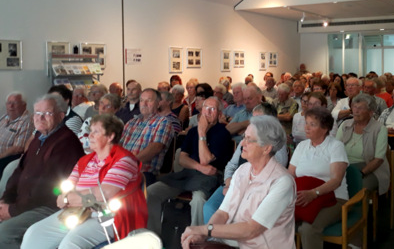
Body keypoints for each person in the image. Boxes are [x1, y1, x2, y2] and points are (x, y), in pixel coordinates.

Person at [21, 114, 148, 248]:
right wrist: (66, 197)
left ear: (110, 136)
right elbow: (68, 188)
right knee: (34, 233)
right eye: (90, 131)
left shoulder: (124, 159)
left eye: (95, 132)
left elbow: (104, 193)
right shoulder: (85, 161)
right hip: (77, 212)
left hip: (109, 216)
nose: (89, 135)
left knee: (70, 244)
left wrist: (68, 199)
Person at [181, 115, 295, 249]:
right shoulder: (243, 170)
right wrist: (202, 236)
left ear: (266, 148)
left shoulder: (281, 182)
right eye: (243, 137)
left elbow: (251, 229)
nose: (242, 144)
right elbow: (223, 212)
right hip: (232, 244)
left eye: (249, 140)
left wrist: (204, 230)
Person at [0, 94, 84, 248]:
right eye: (37, 113)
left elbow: (46, 190)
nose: (40, 118)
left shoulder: (66, 143)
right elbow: (19, 171)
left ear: (60, 116)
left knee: (4, 233)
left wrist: (12, 210)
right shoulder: (39, 137)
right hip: (25, 203)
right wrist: (6, 200)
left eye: (47, 113)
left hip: (48, 206)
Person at [146, 97, 233, 236]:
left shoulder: (222, 133)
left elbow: (205, 160)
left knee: (198, 200)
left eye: (213, 109)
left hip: (210, 178)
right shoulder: (192, 131)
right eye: (206, 108)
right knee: (152, 191)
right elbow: (182, 159)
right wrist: (199, 167)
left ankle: (196, 238)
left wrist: (202, 133)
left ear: (219, 114)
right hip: (188, 174)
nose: (208, 112)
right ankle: (152, 236)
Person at [203, 102, 289, 224]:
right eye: (252, 120)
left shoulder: (276, 145)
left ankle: (223, 239)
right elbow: (232, 165)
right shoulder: (247, 140)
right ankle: (214, 240)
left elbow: (270, 172)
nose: (254, 124)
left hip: (256, 190)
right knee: (209, 208)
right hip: (234, 183)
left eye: (259, 120)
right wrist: (228, 184)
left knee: (238, 216)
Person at [288, 107, 349, 249]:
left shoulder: (335, 146)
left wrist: (313, 193)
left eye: (312, 124)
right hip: (303, 196)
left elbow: (336, 181)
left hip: (333, 199)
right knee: (275, 218)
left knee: (308, 230)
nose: (306, 128)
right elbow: (290, 174)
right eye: (306, 123)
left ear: (325, 128)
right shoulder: (302, 146)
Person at [336, 94, 390, 195]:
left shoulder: (379, 129)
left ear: (371, 112)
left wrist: (359, 174)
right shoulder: (345, 125)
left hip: (369, 170)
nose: (355, 111)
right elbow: (335, 149)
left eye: (360, 108)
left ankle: (358, 210)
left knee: (357, 187)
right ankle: (342, 210)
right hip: (344, 167)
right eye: (354, 107)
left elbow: (378, 159)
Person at [120, 88, 174, 185]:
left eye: (149, 100)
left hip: (144, 172)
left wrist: (129, 164)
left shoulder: (163, 122)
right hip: (122, 169)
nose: (144, 104)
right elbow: (119, 145)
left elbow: (155, 148)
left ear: (158, 104)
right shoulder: (131, 122)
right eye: (141, 100)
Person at [0, 92, 33, 179]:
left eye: (15, 103)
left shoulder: (27, 122)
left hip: (6, 160)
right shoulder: (4, 117)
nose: (11, 106)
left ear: (24, 105)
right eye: (9, 103)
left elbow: (18, 148)